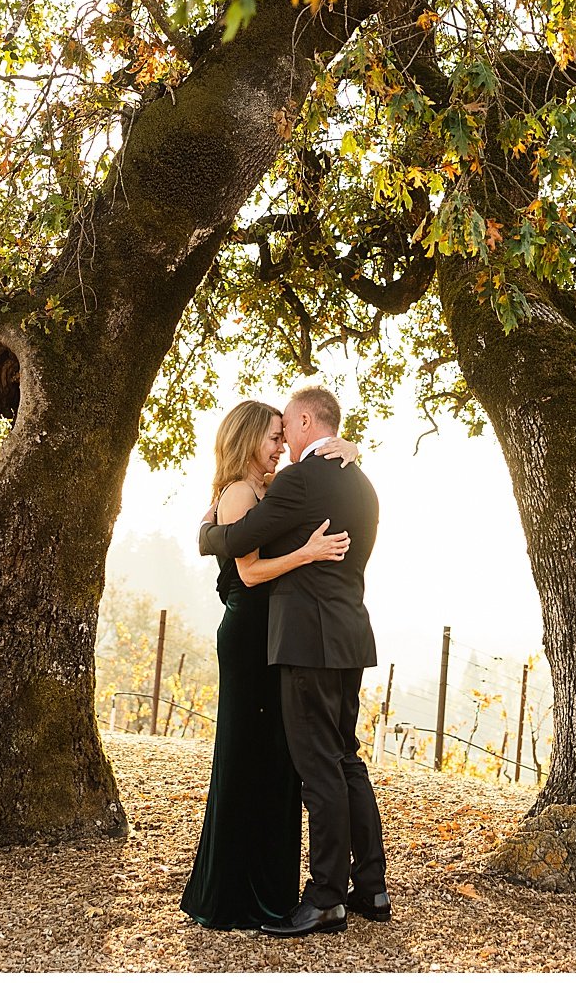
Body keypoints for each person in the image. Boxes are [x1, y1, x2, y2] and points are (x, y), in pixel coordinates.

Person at [199, 384, 389, 938]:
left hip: (308, 641)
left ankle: (327, 896)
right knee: (346, 759)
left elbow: (240, 538)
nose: (282, 437)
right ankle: (370, 885)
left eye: (287, 425)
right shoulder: (363, 483)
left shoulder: (299, 480)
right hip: (350, 636)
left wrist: (206, 530)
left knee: (318, 769)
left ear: (306, 421)